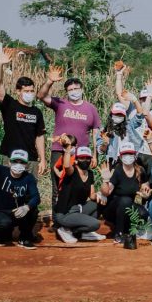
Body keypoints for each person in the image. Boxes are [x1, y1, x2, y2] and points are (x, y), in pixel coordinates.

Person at [37, 64, 101, 208]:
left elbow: (95, 132)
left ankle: (75, 219)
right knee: (58, 186)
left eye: (76, 88)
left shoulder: (91, 108)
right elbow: (41, 96)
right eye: (70, 90)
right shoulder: (60, 103)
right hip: (59, 150)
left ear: (82, 89)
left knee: (78, 186)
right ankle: (58, 220)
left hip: (81, 155)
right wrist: (50, 81)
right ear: (66, 92)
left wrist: (95, 155)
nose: (74, 91)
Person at [0, 125, 40, 249]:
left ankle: (25, 238)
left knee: (33, 210)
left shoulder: (29, 178)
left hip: (17, 212)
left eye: (22, 162)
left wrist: (27, 207)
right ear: (10, 162)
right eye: (15, 161)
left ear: (26, 165)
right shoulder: (0, 172)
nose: (18, 164)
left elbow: (36, 197)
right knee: (5, 224)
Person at [0, 46, 47, 176]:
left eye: (32, 91)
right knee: (9, 191)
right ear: (18, 91)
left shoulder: (36, 112)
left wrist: (43, 159)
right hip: (11, 156)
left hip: (31, 159)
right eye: (26, 91)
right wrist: (0, 63)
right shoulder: (10, 105)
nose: (30, 94)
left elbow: (39, 137)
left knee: (29, 192)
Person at [99, 141, 152, 249]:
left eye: (130, 154)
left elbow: (145, 187)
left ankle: (129, 230)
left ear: (135, 155)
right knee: (125, 200)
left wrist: (145, 194)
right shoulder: (117, 170)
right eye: (125, 154)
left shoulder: (140, 171)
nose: (128, 156)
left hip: (128, 208)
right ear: (120, 156)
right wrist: (105, 180)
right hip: (113, 208)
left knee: (143, 213)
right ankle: (118, 234)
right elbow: (107, 192)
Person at [53, 145, 104, 243]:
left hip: (78, 209)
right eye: (82, 158)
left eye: (87, 158)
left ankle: (84, 233)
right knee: (95, 224)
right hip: (65, 212)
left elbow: (92, 195)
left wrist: (101, 194)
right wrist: (67, 149)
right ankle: (65, 229)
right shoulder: (73, 172)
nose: (85, 160)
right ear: (76, 160)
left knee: (100, 203)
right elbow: (67, 166)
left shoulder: (90, 174)